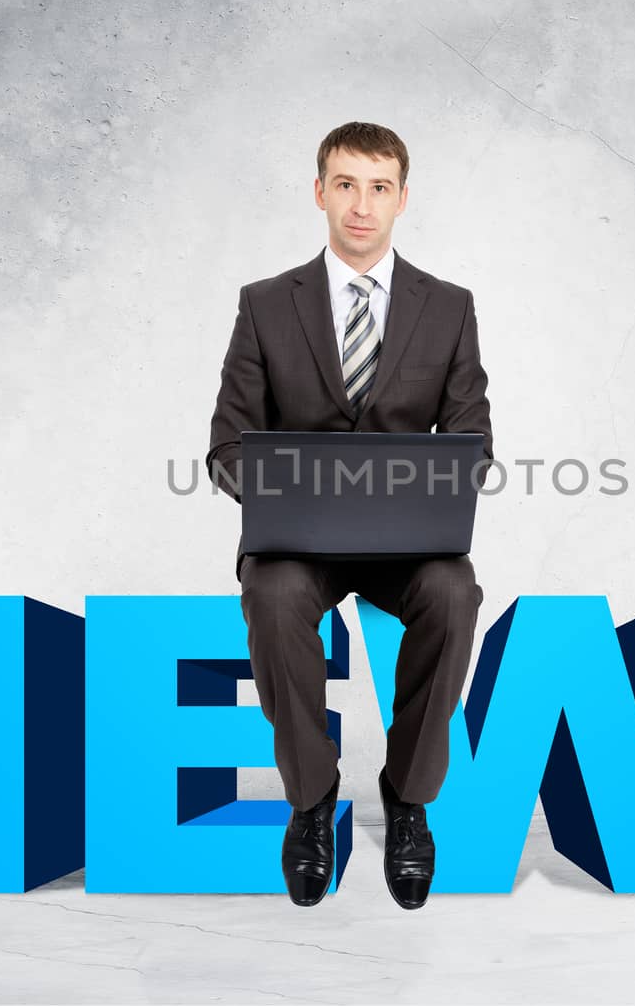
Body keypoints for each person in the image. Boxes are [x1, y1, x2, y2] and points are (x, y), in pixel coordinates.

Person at [204, 121, 493, 909]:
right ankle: (310, 803)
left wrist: (429, 487)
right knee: (271, 594)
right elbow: (227, 444)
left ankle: (408, 796)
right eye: (345, 185)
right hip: (300, 540)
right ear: (320, 192)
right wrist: (281, 491)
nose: (361, 205)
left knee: (453, 592)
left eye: (378, 187)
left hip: (410, 542)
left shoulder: (449, 307)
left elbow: (471, 438)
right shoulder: (266, 305)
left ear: (402, 198)